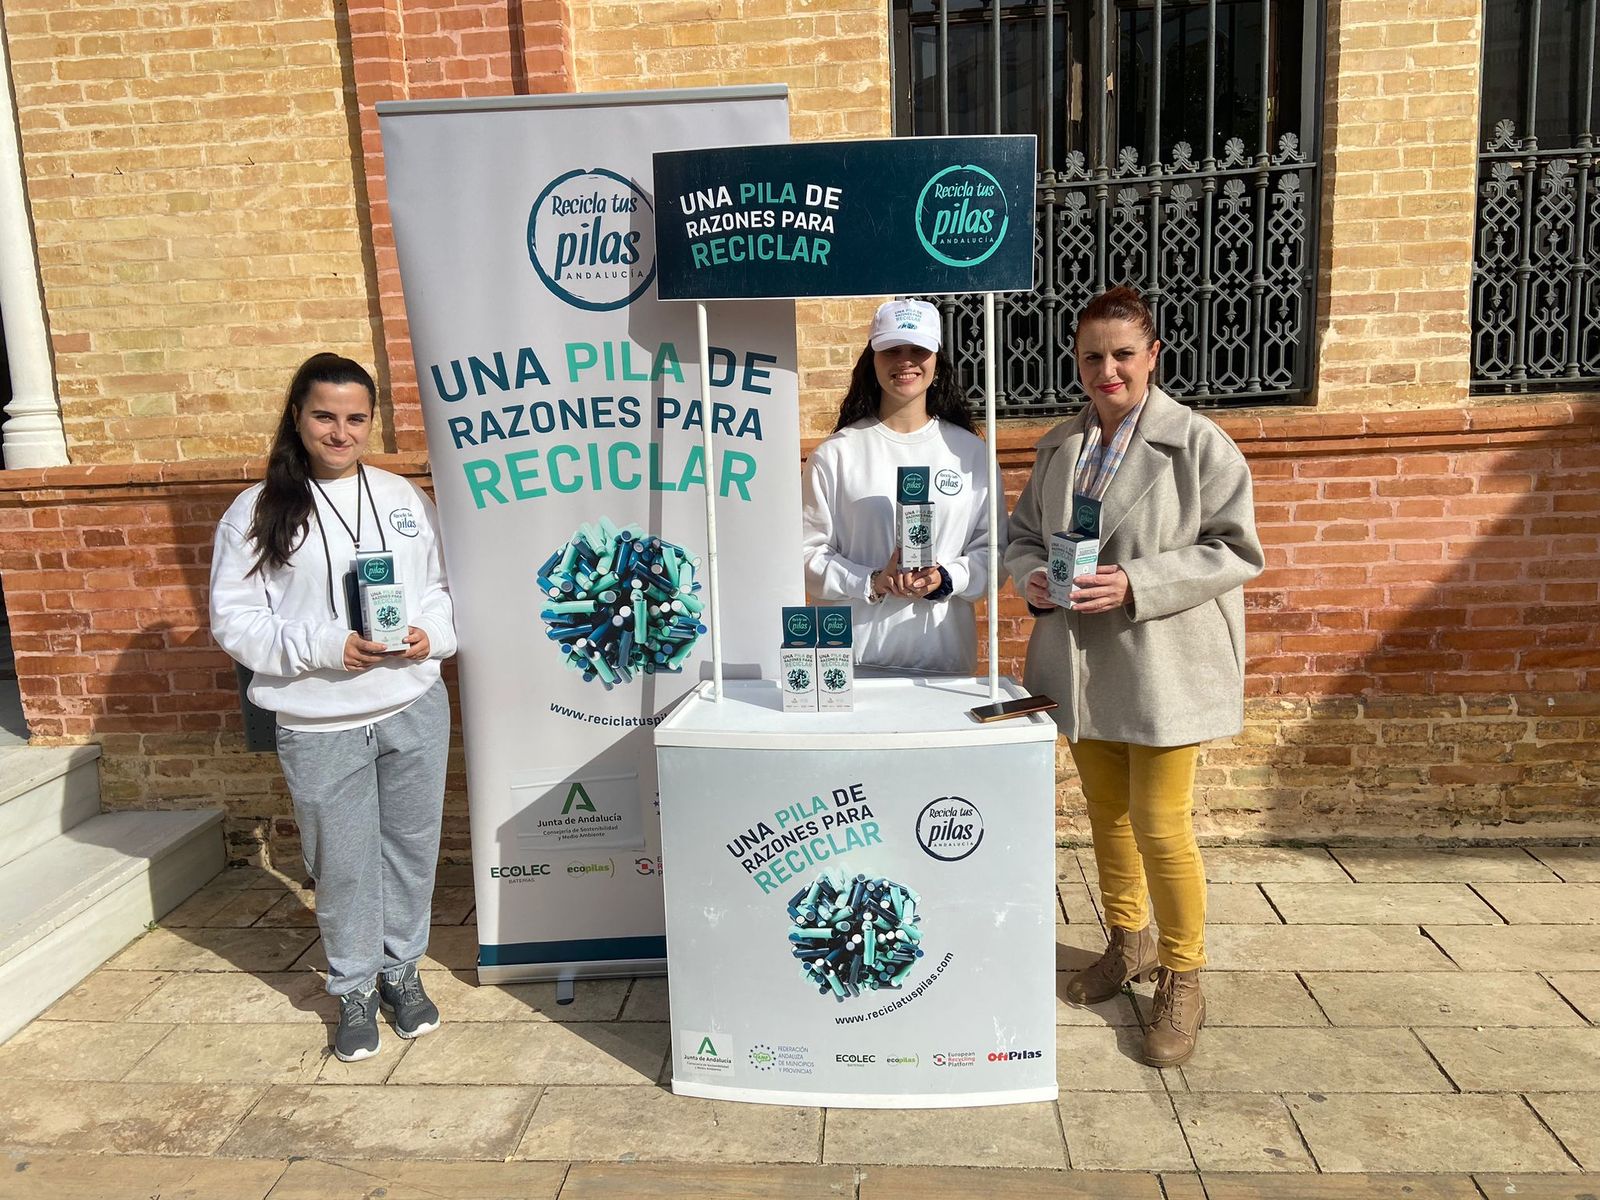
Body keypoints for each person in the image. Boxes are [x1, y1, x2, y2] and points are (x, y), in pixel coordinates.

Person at [1004, 287, 1263, 1066]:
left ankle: (1184, 974)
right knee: (1106, 819)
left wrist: (1137, 583)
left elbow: (1235, 550)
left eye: (1122, 353)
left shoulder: (1199, 444)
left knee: (1161, 824)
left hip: (1162, 666)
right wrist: (1031, 581)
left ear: (1153, 354)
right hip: (1079, 666)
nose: (1106, 369)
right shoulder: (1059, 447)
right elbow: (1021, 538)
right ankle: (1129, 943)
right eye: (1092, 356)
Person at [210, 352, 458, 1062]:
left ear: (370, 422)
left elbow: (441, 587)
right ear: (298, 416)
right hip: (321, 722)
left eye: (355, 418)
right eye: (325, 415)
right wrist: (326, 646)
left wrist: (428, 634)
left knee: (410, 851)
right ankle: (353, 986)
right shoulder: (258, 512)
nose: (340, 431)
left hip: (412, 703)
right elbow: (235, 621)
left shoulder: (402, 497)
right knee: (343, 863)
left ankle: (401, 973)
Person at [801, 299, 1001, 674]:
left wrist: (945, 579)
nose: (905, 361)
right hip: (853, 663)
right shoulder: (836, 455)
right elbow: (806, 556)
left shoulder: (970, 454)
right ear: (872, 360)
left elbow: (994, 552)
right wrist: (872, 581)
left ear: (937, 362)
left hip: (944, 665)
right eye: (892, 350)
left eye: (918, 350)